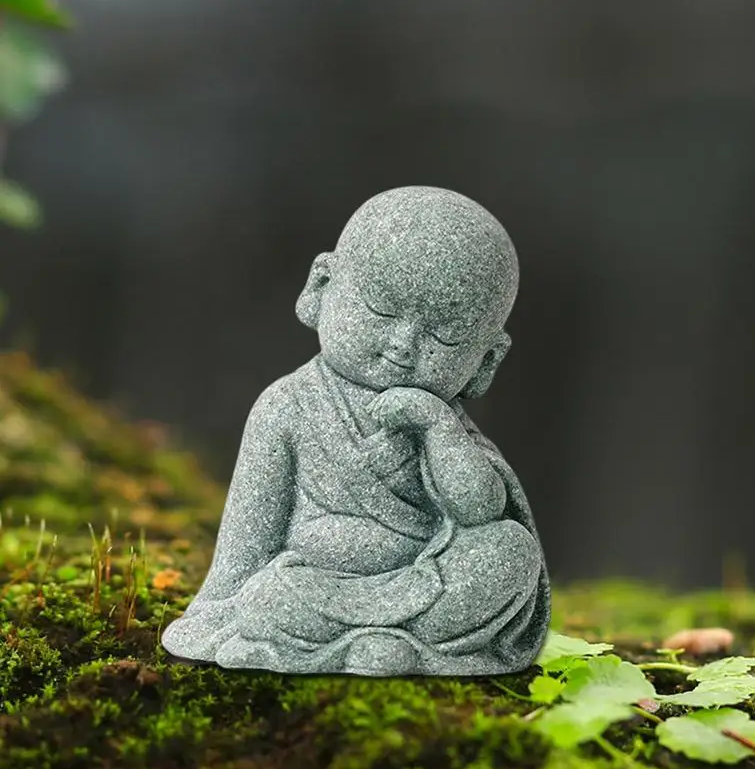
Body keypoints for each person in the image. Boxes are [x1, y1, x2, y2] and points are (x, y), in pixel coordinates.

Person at [161, 186, 551, 675]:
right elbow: (249, 539)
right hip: (317, 586)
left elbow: (481, 510)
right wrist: (220, 608)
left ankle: (401, 647)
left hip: (427, 579)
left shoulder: (442, 420)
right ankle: (378, 646)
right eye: (382, 312)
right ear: (321, 287)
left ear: (486, 359)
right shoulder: (286, 407)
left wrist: (436, 429)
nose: (403, 345)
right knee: (269, 597)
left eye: (444, 335)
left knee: (510, 553)